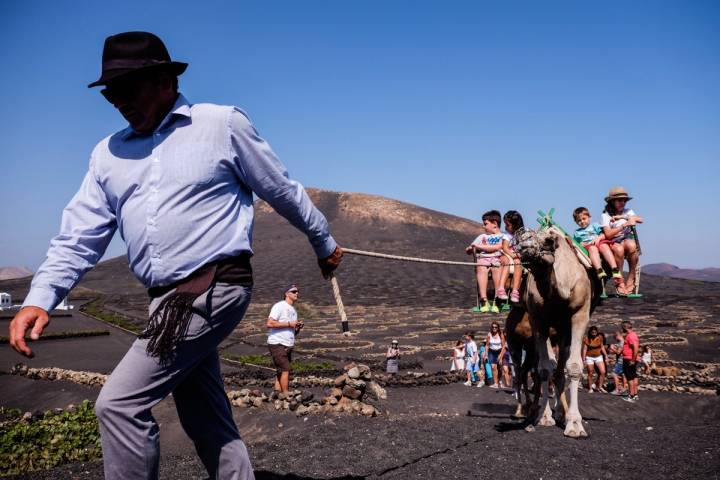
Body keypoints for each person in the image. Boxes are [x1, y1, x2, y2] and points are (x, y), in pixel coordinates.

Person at [8, 32, 343, 480]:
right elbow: (79, 236)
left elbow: (282, 190)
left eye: (129, 89)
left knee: (120, 404)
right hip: (163, 303)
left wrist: (324, 243)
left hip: (214, 286)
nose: (119, 101)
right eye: (111, 93)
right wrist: (40, 298)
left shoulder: (220, 125)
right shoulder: (107, 155)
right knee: (204, 415)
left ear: (165, 80)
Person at [601, 187, 643, 295]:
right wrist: (624, 224)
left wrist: (621, 217)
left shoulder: (628, 211)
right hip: (613, 240)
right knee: (619, 250)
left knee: (632, 246)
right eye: (619, 200)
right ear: (612, 201)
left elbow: (639, 219)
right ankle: (619, 282)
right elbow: (608, 234)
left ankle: (631, 277)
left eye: (624, 200)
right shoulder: (605, 215)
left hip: (627, 238)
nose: (622, 202)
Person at [572, 207, 626, 290]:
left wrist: (599, 238)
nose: (582, 222)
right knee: (592, 249)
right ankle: (599, 270)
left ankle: (614, 268)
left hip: (599, 242)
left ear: (589, 217)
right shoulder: (577, 232)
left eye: (584, 219)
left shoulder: (595, 225)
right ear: (576, 222)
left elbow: (603, 234)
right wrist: (580, 244)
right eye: (579, 220)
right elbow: (575, 243)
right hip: (589, 246)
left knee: (604, 246)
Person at [466, 210, 505, 313]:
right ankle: (484, 300)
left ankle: (497, 300)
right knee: (481, 267)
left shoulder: (503, 237)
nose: (483, 226)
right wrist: (471, 248)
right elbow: (469, 249)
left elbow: (498, 247)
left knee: (497, 269)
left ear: (495, 224)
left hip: (497, 258)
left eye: (485, 224)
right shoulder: (482, 237)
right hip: (483, 258)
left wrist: (479, 246)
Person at [267, 285, 303, 393]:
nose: (297, 293)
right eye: (294, 291)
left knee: (280, 370)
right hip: (277, 342)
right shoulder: (279, 306)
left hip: (287, 344)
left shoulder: (293, 310)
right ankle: (286, 395)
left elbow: (291, 331)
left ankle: (277, 392)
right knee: (285, 368)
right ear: (286, 294)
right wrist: (289, 323)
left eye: (297, 291)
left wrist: (297, 328)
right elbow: (269, 323)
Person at [499, 210, 524, 304]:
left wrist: (518, 255)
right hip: (508, 254)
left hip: (517, 256)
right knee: (508, 262)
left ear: (516, 225)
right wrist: (512, 255)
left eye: (508, 225)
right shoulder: (507, 235)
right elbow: (505, 248)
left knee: (518, 262)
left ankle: (515, 291)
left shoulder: (522, 235)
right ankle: (501, 288)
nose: (505, 227)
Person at [582, 325, 608, 393]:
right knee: (590, 373)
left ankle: (600, 387)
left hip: (598, 356)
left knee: (603, 372)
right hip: (589, 357)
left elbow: (602, 347)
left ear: (597, 332)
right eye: (592, 332)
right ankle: (590, 388)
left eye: (595, 332)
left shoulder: (599, 338)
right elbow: (584, 349)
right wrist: (583, 359)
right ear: (590, 332)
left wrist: (606, 356)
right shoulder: (587, 339)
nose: (594, 333)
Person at [483, 322, 506, 389]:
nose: (494, 328)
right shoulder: (489, 334)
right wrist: (486, 354)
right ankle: (495, 383)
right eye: (493, 327)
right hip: (492, 352)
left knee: (500, 367)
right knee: (493, 367)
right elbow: (487, 345)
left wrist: (501, 356)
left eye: (495, 327)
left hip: (499, 351)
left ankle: (500, 381)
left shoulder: (500, 334)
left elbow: (504, 346)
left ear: (498, 328)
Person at [621, 321, 640, 402]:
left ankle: (631, 395)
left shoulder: (631, 336)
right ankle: (635, 395)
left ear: (625, 327)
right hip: (631, 358)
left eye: (622, 328)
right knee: (633, 376)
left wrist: (633, 359)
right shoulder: (633, 335)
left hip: (629, 358)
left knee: (629, 377)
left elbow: (635, 347)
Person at [609, 330, 628, 396]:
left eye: (615, 338)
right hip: (624, 360)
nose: (615, 339)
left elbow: (618, 352)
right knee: (623, 375)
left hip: (620, 361)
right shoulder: (623, 342)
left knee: (614, 374)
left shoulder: (621, 342)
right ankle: (624, 389)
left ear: (617, 336)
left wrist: (612, 348)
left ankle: (617, 389)